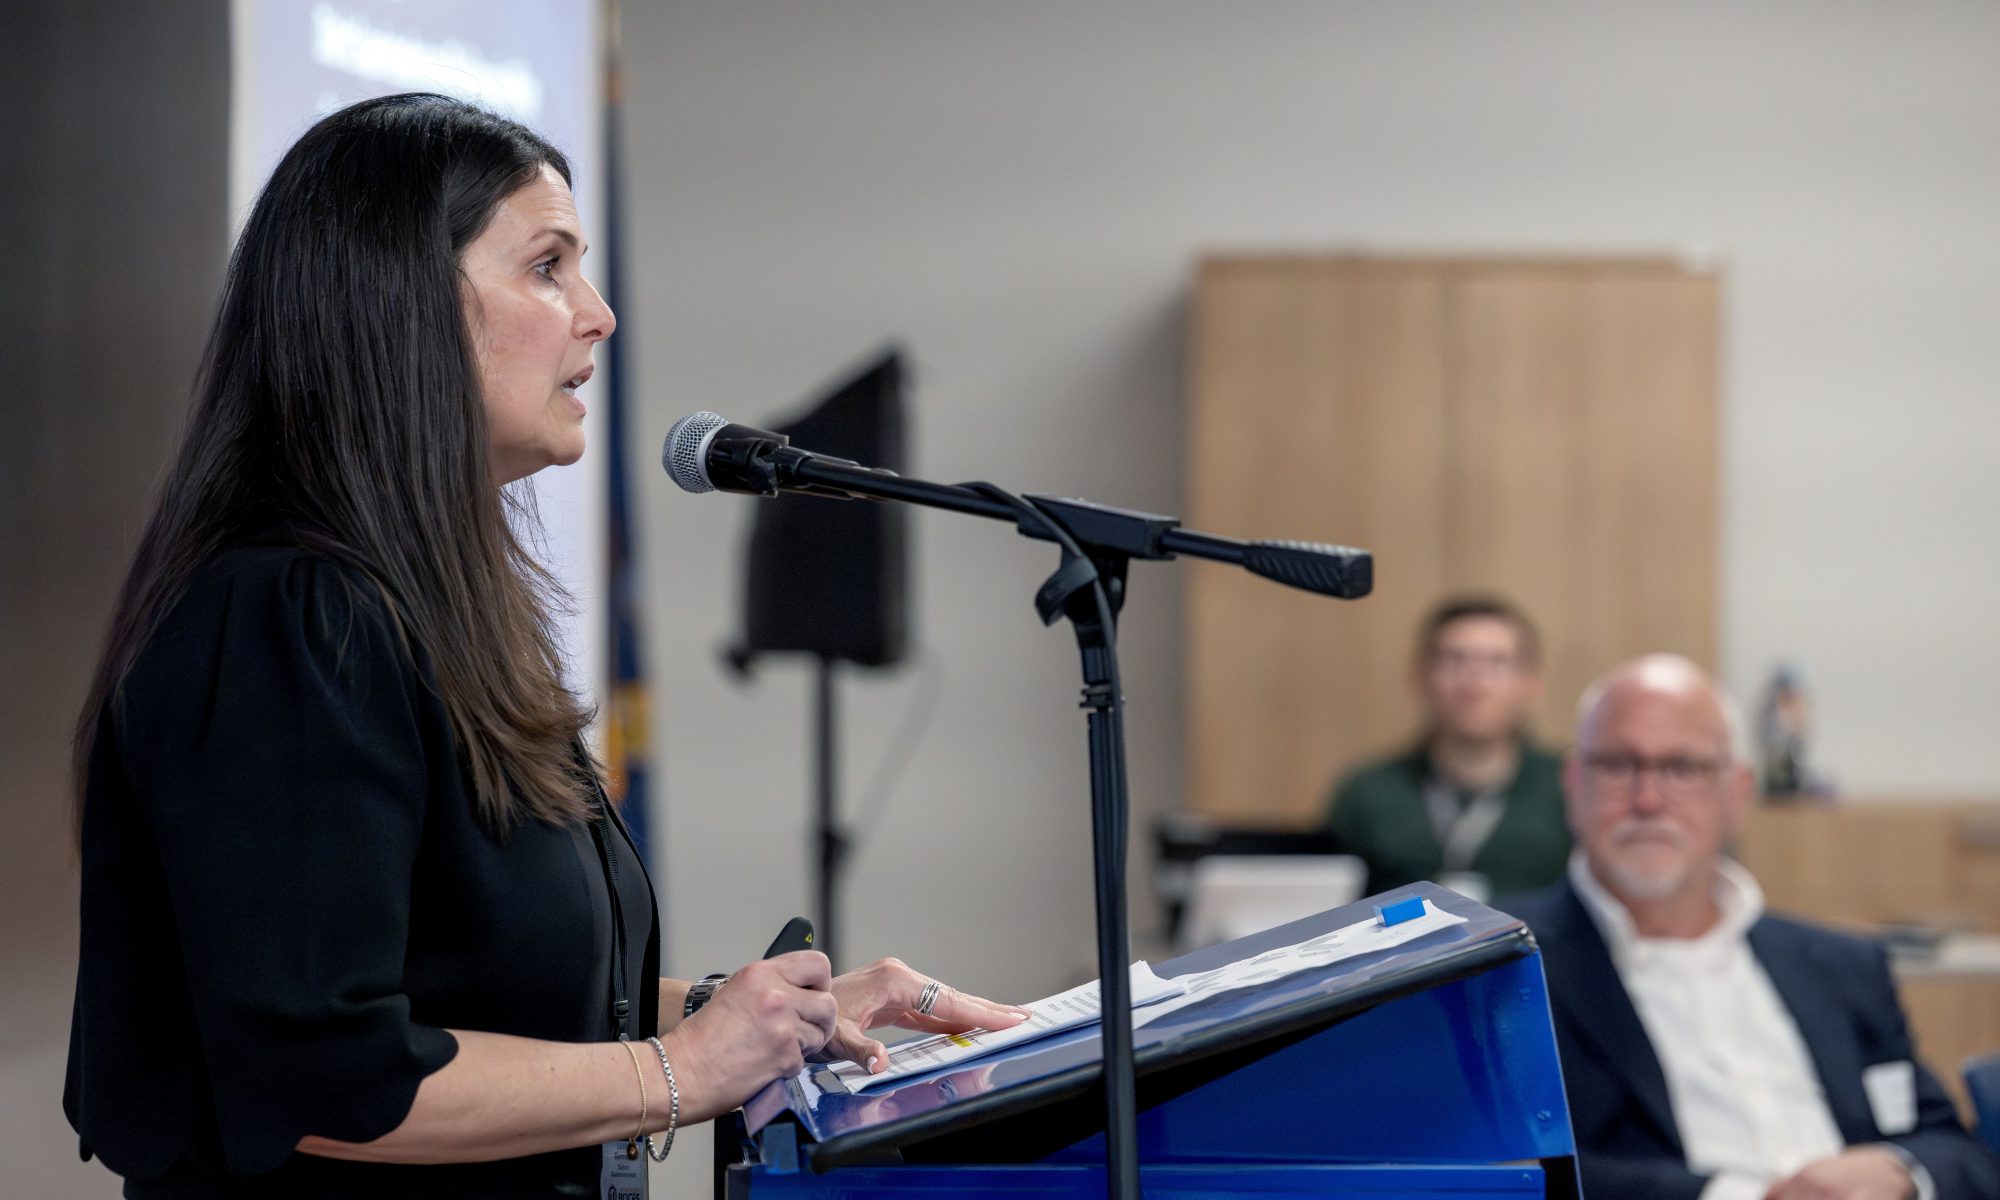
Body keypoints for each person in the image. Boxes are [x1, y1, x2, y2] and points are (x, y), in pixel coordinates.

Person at [63, 93, 1028, 1198]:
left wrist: (758, 1016)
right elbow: (324, 1076)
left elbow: (483, 990)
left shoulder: (428, 608)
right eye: (547, 267)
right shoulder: (286, 620)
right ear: (401, 304)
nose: (600, 316)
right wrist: (680, 1071)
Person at [1505, 655, 2000, 1200]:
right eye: (1619, 765)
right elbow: (1506, 1170)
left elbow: (1957, 1151)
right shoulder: (1501, 970)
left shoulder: (1843, 967)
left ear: (1737, 792)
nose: (1648, 799)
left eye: (1682, 767)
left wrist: (1899, 1173)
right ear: (1574, 784)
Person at [1323, 595, 1569, 900]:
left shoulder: (1570, 788)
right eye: (1454, 660)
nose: (1474, 683)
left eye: (1497, 662)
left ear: (1531, 682)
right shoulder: (1367, 794)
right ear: (1420, 676)